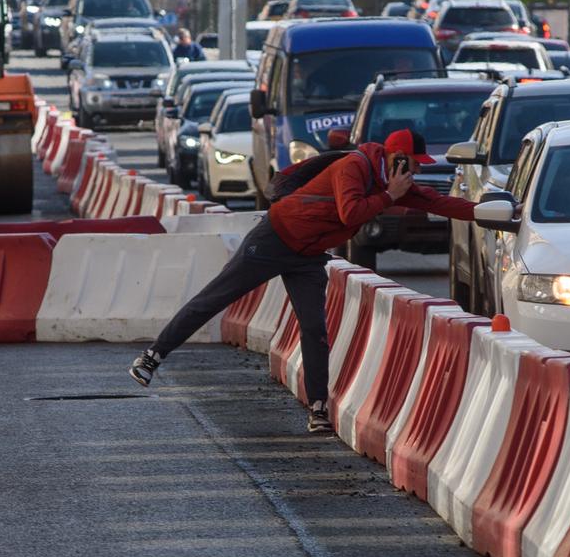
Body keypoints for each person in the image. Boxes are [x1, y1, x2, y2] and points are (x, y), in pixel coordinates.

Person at [130, 127, 492, 433]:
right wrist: (388, 197)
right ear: (396, 158)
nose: (414, 172)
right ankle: (152, 356)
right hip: (274, 238)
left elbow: (438, 203)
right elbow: (350, 211)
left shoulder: (393, 184)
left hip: (307, 256)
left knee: (315, 329)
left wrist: (487, 213)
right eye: (412, 164)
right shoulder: (355, 167)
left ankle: (318, 408)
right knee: (216, 298)